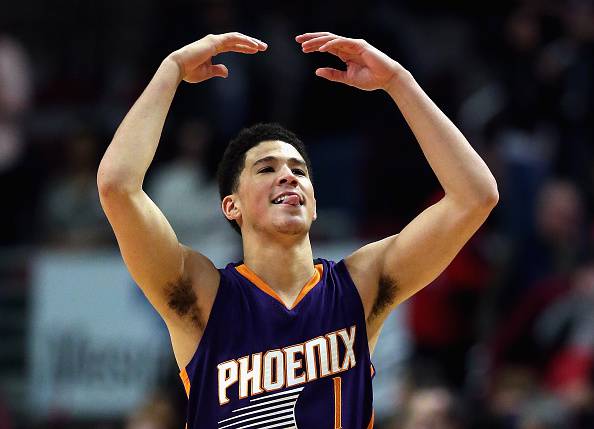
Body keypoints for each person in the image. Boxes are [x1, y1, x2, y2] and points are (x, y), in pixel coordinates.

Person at [97, 32, 498, 429]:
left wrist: (398, 82)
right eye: (267, 168)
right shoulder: (205, 296)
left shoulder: (357, 286)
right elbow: (117, 187)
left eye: (299, 170)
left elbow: (474, 197)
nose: (288, 177)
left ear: (315, 203)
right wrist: (171, 70)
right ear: (230, 206)